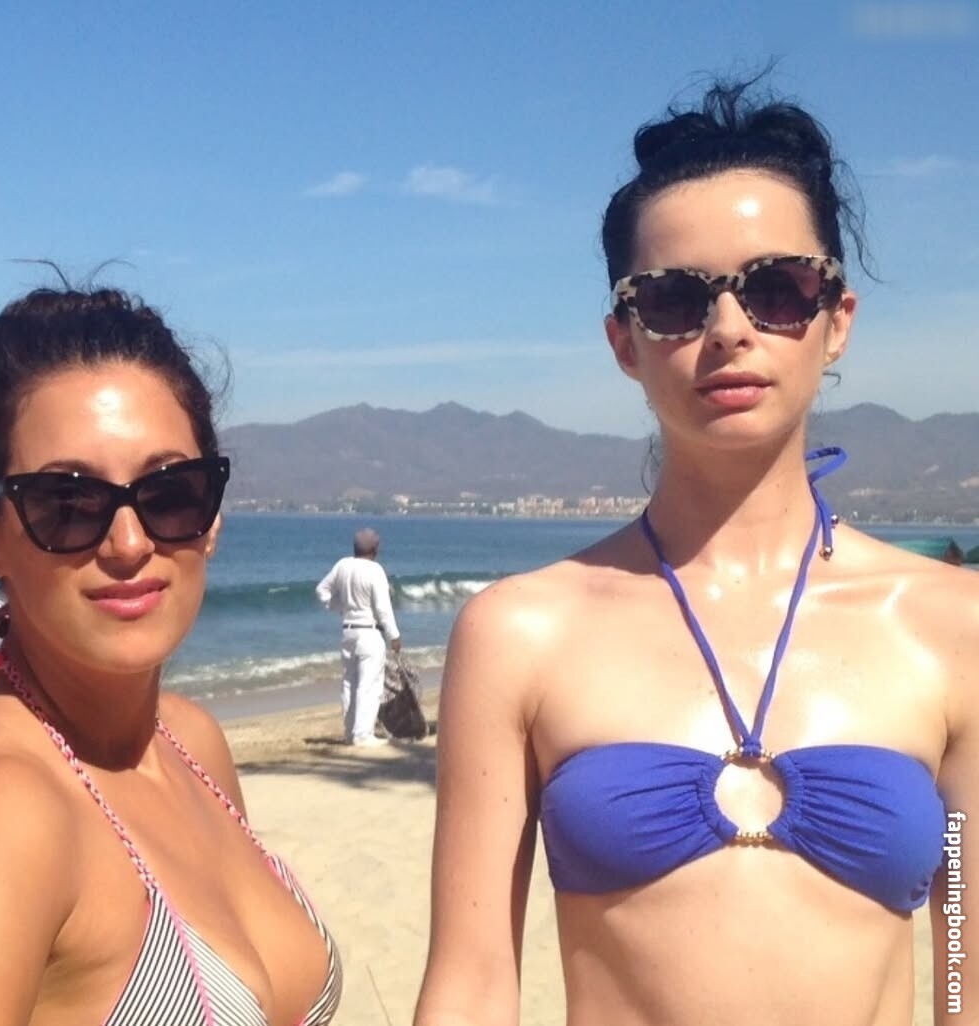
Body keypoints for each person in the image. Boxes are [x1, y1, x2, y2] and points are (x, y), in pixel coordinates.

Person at [415, 77, 978, 1026]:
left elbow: (966, 967)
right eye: (674, 298)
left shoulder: (953, 627)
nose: (728, 329)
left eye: (777, 288)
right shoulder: (518, 632)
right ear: (624, 342)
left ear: (837, 319)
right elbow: (471, 985)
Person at [0, 285, 342, 1026]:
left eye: (170, 493)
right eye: (66, 505)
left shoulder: (192, 741)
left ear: (212, 515)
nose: (130, 544)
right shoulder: (2, 810)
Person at [316, 527, 402, 747]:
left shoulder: (343, 565)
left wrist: (340, 608)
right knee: (369, 685)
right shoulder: (375, 571)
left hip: (348, 631)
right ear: (376, 548)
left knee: (349, 683)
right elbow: (383, 608)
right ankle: (363, 734)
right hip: (369, 632)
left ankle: (350, 732)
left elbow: (321, 590)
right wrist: (394, 635)